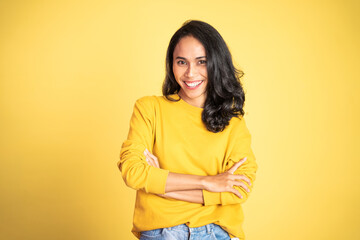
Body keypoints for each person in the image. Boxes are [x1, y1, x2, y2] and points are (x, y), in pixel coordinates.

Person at [118, 20, 258, 240]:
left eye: (201, 62)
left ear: (216, 64)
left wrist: (160, 184)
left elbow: (238, 189)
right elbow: (133, 171)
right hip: (162, 233)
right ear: (171, 64)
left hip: (216, 232)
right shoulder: (149, 109)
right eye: (181, 62)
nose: (190, 73)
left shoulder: (233, 123)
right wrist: (208, 182)